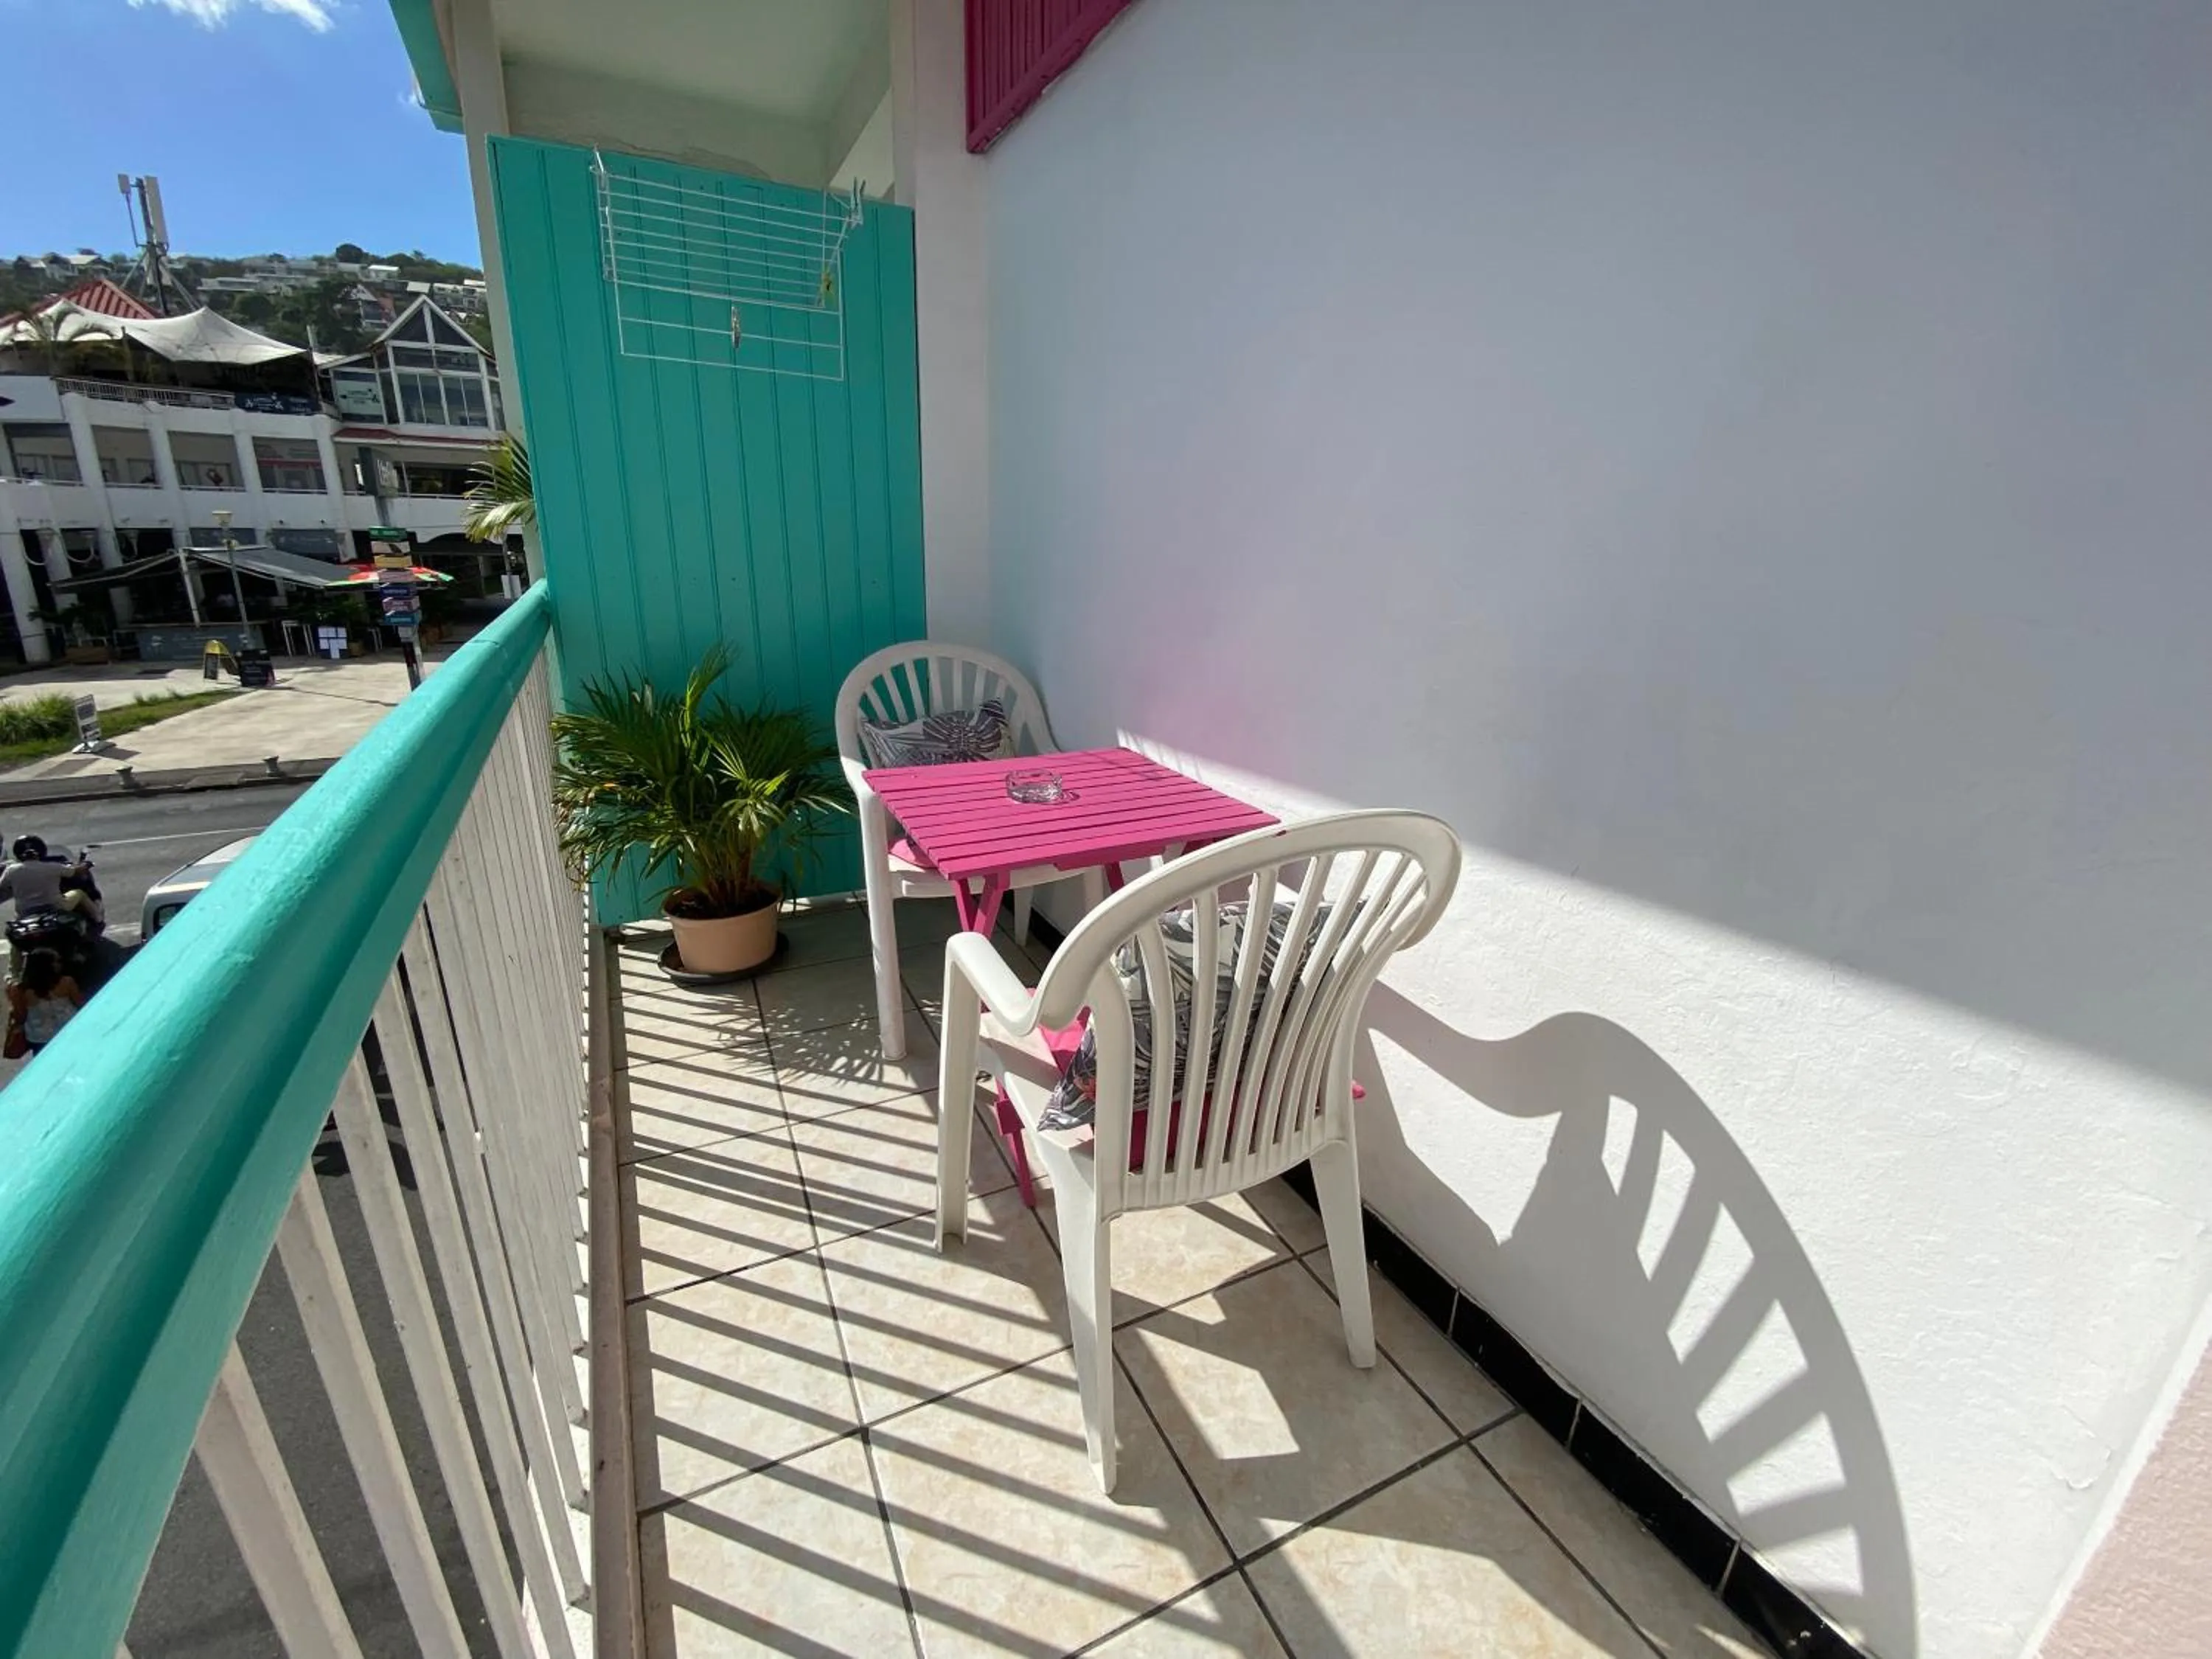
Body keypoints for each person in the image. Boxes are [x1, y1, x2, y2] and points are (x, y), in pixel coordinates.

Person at [9, 950, 82, 1054]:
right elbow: (80, 1004)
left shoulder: (21, 990)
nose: (60, 965)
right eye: (57, 962)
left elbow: (20, 1017)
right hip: (69, 1030)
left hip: (40, 1037)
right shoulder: (67, 982)